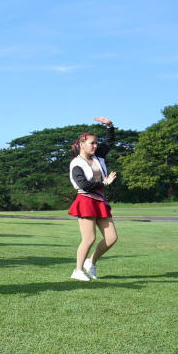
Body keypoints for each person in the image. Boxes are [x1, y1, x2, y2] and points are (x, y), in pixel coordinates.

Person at [68, 117, 118, 281]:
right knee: (89, 238)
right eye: (92, 143)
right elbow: (83, 184)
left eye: (96, 143)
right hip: (86, 200)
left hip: (100, 201)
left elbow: (109, 142)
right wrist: (105, 183)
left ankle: (91, 262)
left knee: (112, 238)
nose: (96, 146)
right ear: (82, 144)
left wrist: (109, 126)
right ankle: (77, 271)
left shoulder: (98, 156)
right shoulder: (76, 164)